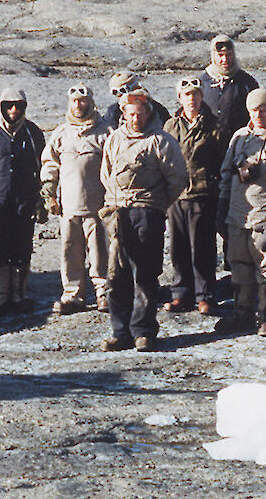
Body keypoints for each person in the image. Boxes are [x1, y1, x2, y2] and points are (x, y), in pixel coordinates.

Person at [99, 95, 188, 351]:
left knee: (145, 273)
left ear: (147, 114)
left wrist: (156, 205)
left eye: (140, 114)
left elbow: (177, 178)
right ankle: (120, 331)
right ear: (123, 114)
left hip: (147, 213)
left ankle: (144, 331)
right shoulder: (114, 139)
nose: (135, 119)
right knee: (116, 274)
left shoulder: (160, 141)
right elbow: (106, 174)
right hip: (117, 213)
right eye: (131, 114)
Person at [215, 88, 266, 337]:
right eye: (254, 110)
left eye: (264, 110)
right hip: (237, 217)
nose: (259, 114)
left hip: (264, 219)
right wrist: (222, 207)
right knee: (239, 266)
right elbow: (226, 173)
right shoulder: (239, 137)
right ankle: (242, 312)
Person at [0, 88, 48, 317]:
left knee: (23, 246)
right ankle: (0, 297)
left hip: (26, 199)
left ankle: (19, 296)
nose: (14, 111)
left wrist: (43, 197)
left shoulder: (32, 132)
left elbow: (44, 164)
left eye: (19, 106)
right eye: (9, 106)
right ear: (2, 106)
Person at [41, 85, 111, 316]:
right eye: (74, 101)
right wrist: (49, 189)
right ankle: (73, 294)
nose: (78, 105)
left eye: (82, 101)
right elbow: (50, 162)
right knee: (70, 251)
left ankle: (104, 292)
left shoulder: (105, 132)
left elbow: (114, 166)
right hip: (68, 207)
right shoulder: (61, 132)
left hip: (97, 206)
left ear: (91, 103)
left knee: (100, 251)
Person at [165, 76, 227, 315]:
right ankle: (181, 294)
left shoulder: (215, 126)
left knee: (202, 247)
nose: (192, 99)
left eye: (196, 94)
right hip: (176, 197)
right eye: (187, 95)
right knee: (177, 248)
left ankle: (206, 295)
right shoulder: (171, 125)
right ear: (180, 98)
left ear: (202, 96)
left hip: (203, 195)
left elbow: (223, 161)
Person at [200, 35, 261, 138]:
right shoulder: (201, 82)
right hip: (207, 144)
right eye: (220, 55)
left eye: (229, 54)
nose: (225, 59)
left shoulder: (247, 82)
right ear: (213, 56)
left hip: (238, 143)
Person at [102, 71, 170, 130]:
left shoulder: (157, 110)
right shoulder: (113, 112)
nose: (119, 95)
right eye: (115, 92)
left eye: (122, 91)